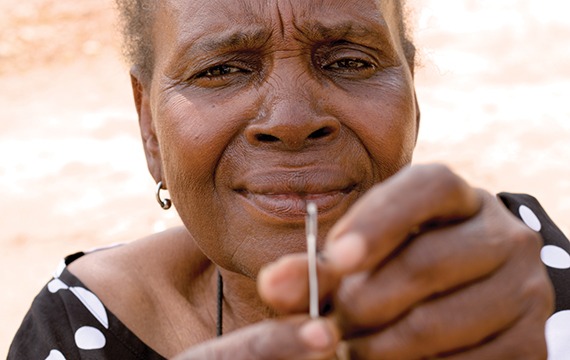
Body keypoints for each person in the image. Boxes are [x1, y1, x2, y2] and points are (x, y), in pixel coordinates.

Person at [8, 0, 570, 359]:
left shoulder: (517, 273)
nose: (292, 121)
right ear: (149, 126)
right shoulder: (80, 330)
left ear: (413, 97)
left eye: (350, 61)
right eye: (221, 69)